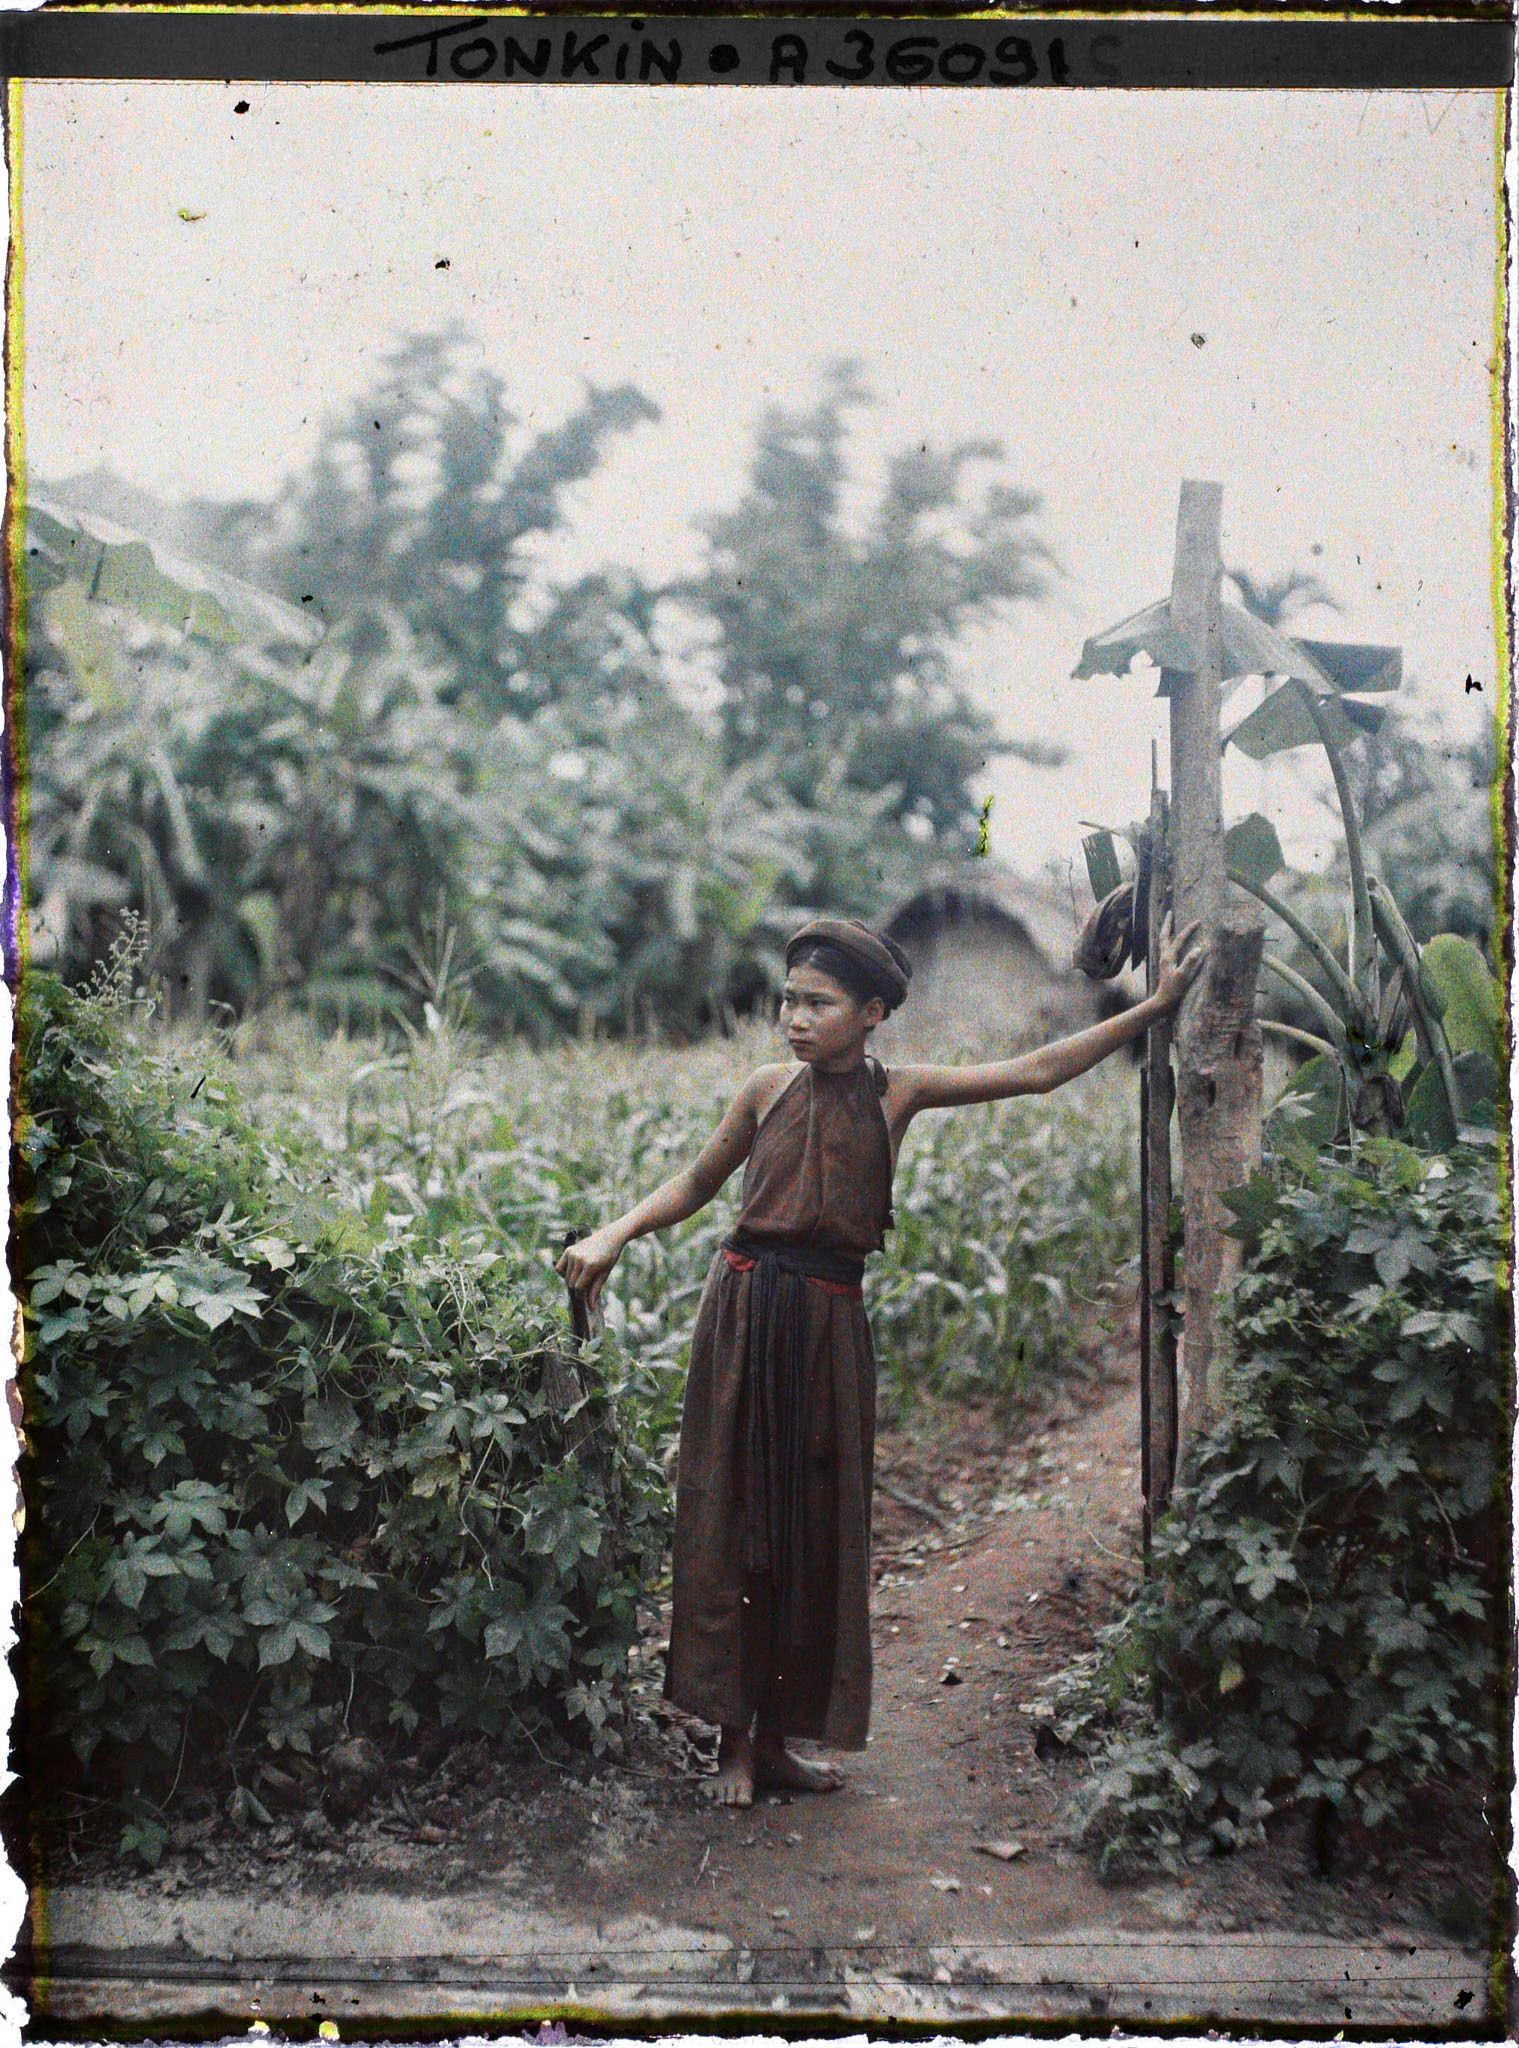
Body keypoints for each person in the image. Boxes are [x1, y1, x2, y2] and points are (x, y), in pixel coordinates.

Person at [556, 910, 1206, 1809]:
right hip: (743, 1316)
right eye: (787, 1001)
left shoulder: (896, 1093)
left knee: (817, 1525)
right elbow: (696, 1185)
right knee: (736, 1516)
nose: (794, 1018)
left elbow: (1036, 1072)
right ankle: (732, 1747)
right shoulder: (762, 1090)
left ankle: (781, 1743)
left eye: (817, 1004)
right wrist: (613, 1234)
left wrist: (1156, 1006)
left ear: (871, 1013)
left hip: (829, 1326)